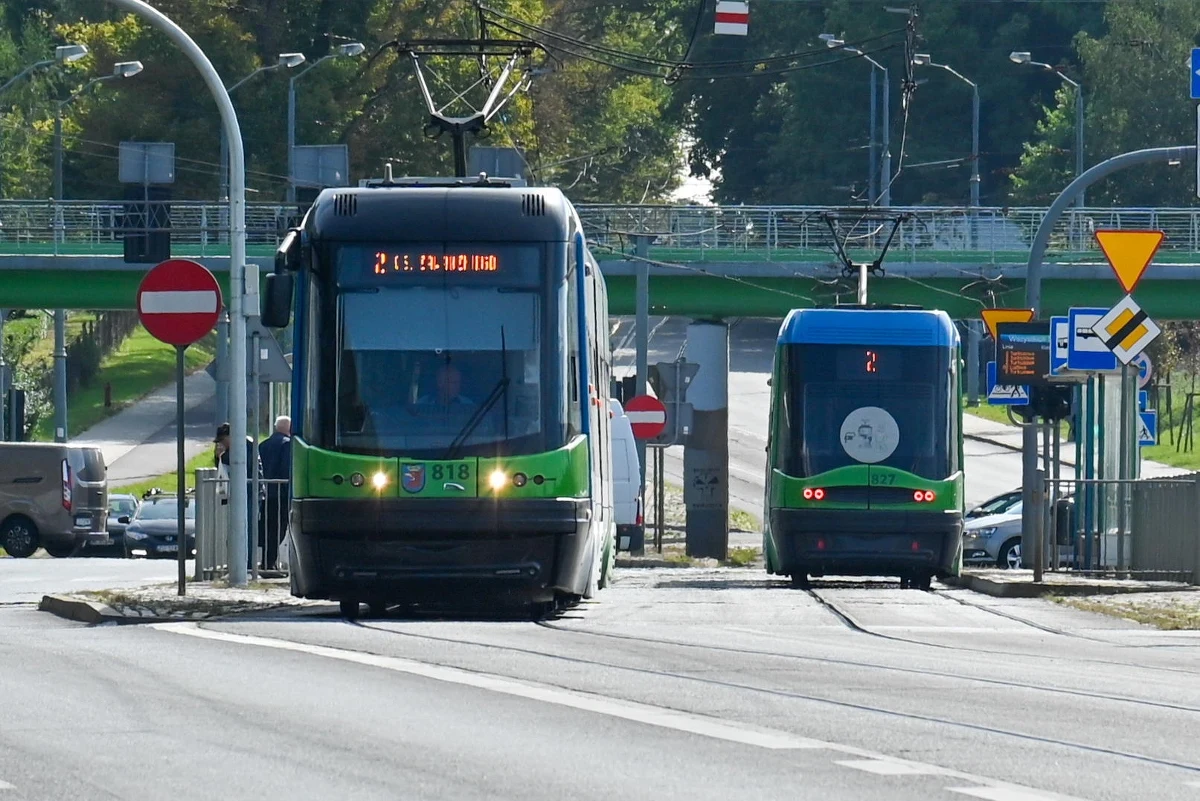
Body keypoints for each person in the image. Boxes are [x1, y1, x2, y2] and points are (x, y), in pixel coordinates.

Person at [257, 416, 292, 570]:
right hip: (280, 494)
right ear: (288, 429)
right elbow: (286, 469)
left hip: (265, 493)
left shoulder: (263, 445)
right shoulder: (287, 444)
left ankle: (267, 561)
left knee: (267, 528)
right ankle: (269, 563)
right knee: (279, 529)